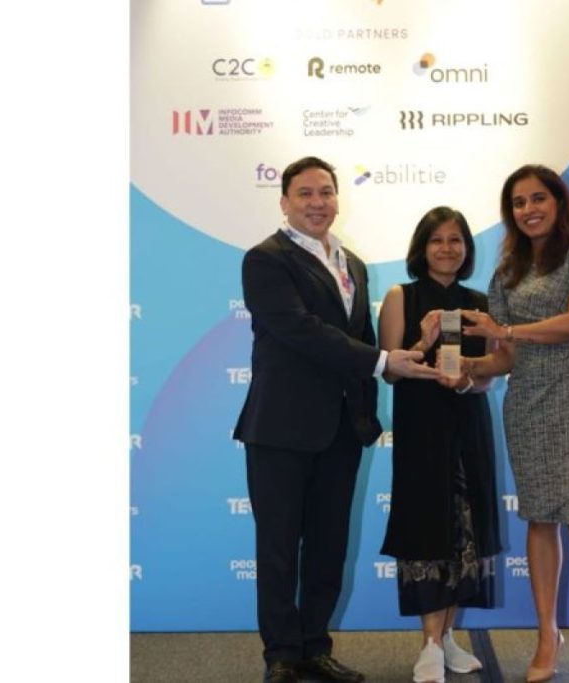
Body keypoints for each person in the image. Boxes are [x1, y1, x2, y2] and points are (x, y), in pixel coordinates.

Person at [234, 156, 440, 683]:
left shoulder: (354, 265)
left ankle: (314, 647)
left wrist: (401, 360)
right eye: (305, 193)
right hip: (280, 429)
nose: (317, 202)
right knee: (279, 549)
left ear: (337, 199)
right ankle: (282, 655)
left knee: (328, 547)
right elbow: (299, 330)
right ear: (284, 202)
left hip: (342, 429)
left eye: (325, 192)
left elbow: (361, 339)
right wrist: (382, 361)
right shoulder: (265, 259)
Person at [460, 165, 569, 683]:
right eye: (518, 203)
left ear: (558, 202)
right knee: (539, 520)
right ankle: (547, 633)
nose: (528, 210)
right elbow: (506, 357)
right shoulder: (508, 269)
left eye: (538, 199)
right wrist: (468, 368)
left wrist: (506, 329)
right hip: (529, 405)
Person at [378, 207, 502, 683]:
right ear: (422, 247)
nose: (447, 249)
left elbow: (488, 376)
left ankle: (447, 638)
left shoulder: (478, 303)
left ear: (467, 248)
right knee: (427, 527)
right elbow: (390, 370)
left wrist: (468, 381)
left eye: (455, 240)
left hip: (469, 424)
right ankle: (429, 644)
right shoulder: (401, 296)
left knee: (466, 527)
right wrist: (423, 340)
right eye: (437, 240)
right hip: (421, 428)